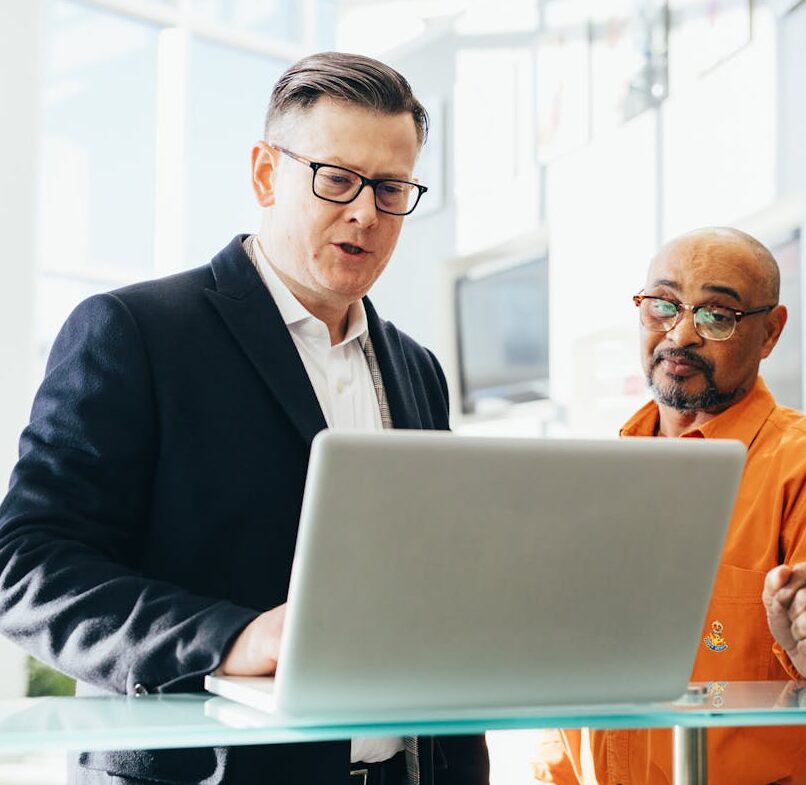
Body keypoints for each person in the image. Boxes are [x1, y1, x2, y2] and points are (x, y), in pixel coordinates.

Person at [0, 52, 489, 785]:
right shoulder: (134, 332)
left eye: (390, 189)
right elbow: (27, 567)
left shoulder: (417, 368)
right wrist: (236, 640)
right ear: (265, 174)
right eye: (337, 179)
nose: (365, 212)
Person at [533, 227, 806, 785]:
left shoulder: (797, 468)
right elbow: (563, 690)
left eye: (717, 316)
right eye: (663, 306)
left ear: (770, 332)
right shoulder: (598, 476)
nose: (680, 335)